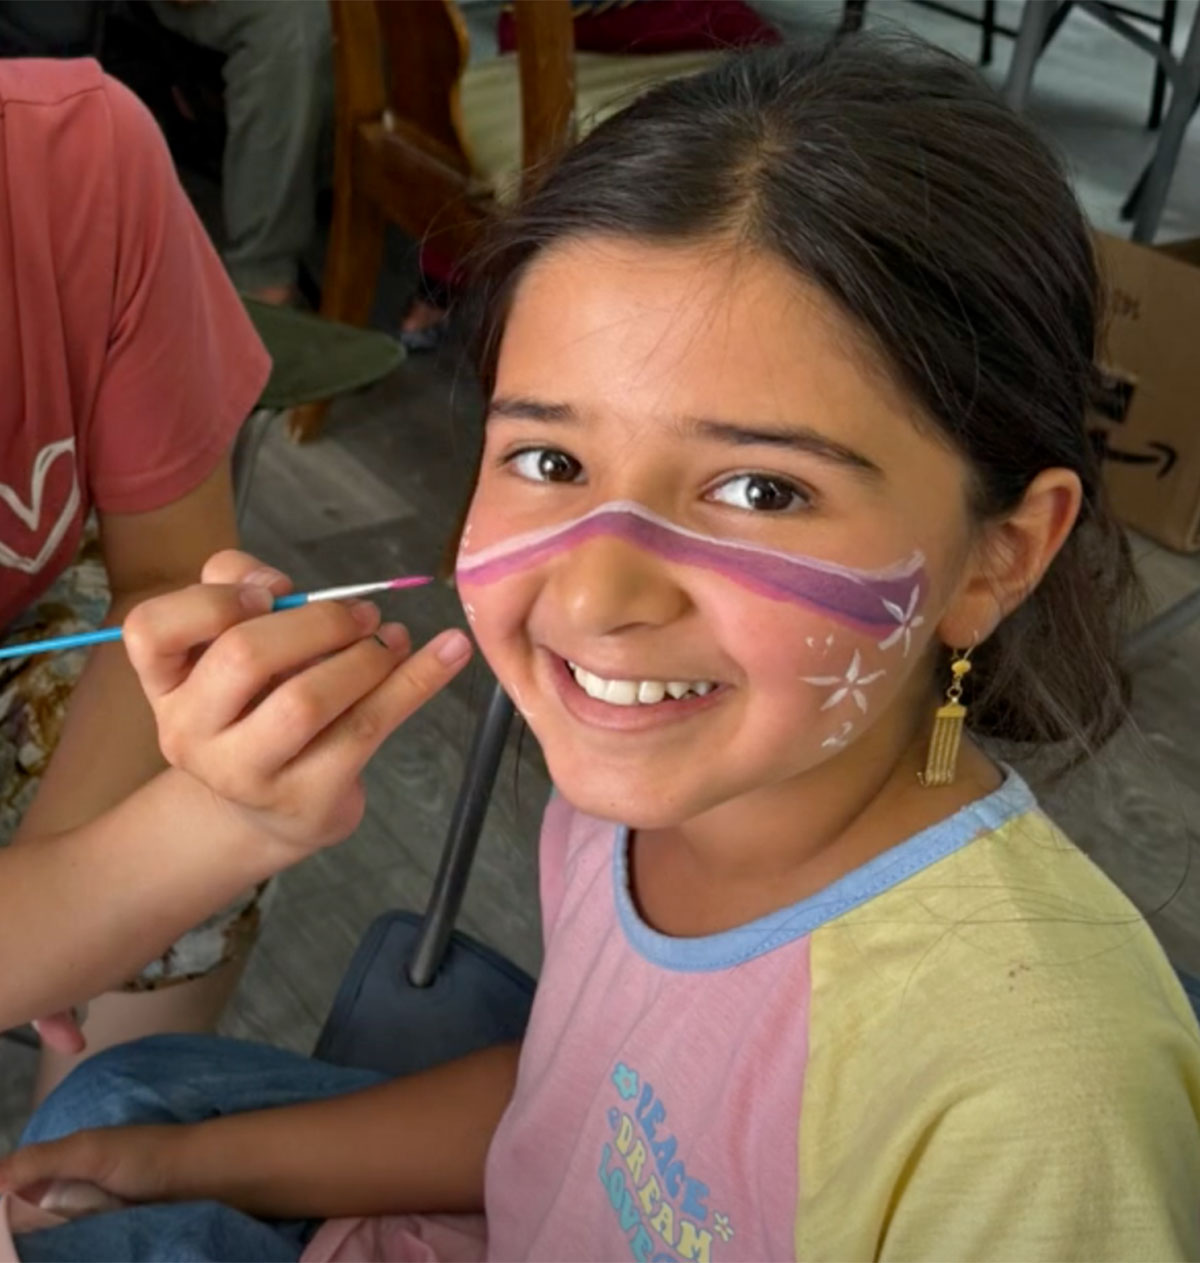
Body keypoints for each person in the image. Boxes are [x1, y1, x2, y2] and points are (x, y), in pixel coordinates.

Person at [4, 33, 1200, 1261]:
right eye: (551, 461)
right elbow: (578, 1106)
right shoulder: (651, 790)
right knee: (109, 1114)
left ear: (1000, 554)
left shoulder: (1033, 1110)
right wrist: (168, 1159)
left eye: (762, 491)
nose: (595, 590)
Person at [0, 57, 471, 1100]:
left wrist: (79, 891)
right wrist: (77, 909)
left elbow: (166, 578)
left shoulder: (73, 155)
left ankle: (82, 1182)